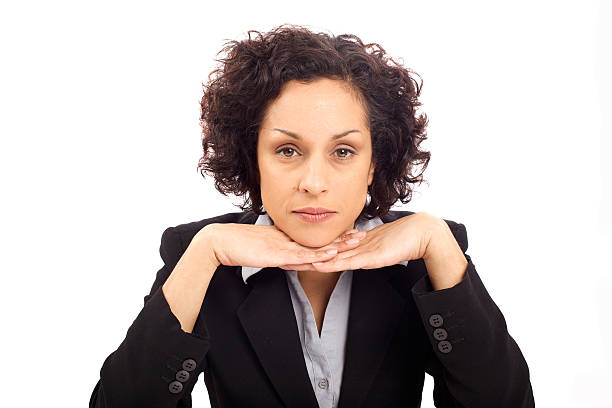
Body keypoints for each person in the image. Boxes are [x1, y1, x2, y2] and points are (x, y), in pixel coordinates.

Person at [89, 24, 535, 408]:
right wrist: (206, 251)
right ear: (253, 158)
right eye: (288, 150)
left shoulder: (423, 255)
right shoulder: (200, 256)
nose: (314, 182)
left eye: (343, 151)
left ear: (373, 163)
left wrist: (439, 244)